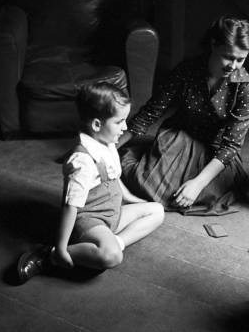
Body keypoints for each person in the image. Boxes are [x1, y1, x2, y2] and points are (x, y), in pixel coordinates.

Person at [17, 82, 164, 283]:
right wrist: (60, 247)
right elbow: (71, 207)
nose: (126, 127)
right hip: (90, 220)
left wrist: (132, 200)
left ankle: (112, 243)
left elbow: (113, 178)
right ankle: (50, 256)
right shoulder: (83, 160)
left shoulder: (107, 142)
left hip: (112, 214)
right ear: (96, 125)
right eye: (120, 121)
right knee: (112, 257)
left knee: (156, 210)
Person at [117, 16, 249, 216]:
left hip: (215, 150)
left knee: (201, 193)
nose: (233, 65)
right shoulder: (187, 70)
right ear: (213, 45)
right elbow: (151, 112)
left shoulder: (246, 88)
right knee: (149, 186)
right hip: (180, 136)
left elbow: (231, 146)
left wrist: (197, 184)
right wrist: (104, 149)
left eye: (241, 59)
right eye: (228, 56)